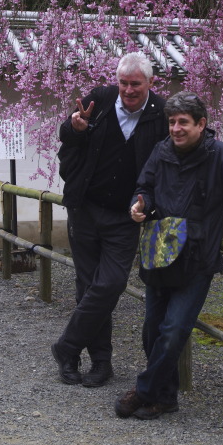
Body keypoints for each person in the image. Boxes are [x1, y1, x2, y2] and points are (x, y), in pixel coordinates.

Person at [115, 91, 223, 420]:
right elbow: (145, 185)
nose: (175, 128)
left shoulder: (221, 156)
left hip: (197, 257)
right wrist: (140, 203)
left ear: (201, 124)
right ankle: (165, 399)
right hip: (159, 248)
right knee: (151, 330)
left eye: (183, 122)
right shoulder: (161, 151)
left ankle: (143, 392)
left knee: (173, 331)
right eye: (171, 122)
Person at [52, 52, 167, 387]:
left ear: (150, 83)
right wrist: (75, 126)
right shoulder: (100, 100)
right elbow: (67, 133)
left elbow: (169, 156)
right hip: (85, 208)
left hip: (125, 215)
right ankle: (96, 363)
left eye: (135, 84)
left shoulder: (161, 113)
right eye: (123, 83)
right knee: (87, 285)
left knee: (112, 283)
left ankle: (67, 346)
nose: (128, 90)